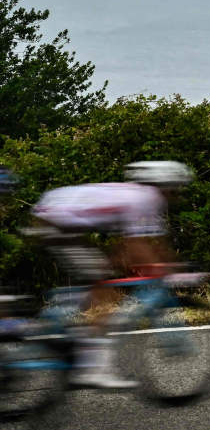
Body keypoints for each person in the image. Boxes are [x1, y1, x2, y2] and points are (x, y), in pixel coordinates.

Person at [30, 161, 193, 388]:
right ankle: (92, 369)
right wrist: (166, 270)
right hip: (58, 223)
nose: (176, 195)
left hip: (55, 218)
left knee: (101, 276)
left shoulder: (138, 195)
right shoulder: (147, 198)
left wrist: (165, 264)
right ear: (165, 186)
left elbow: (143, 244)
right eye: (176, 189)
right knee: (102, 290)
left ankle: (60, 317)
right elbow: (138, 246)